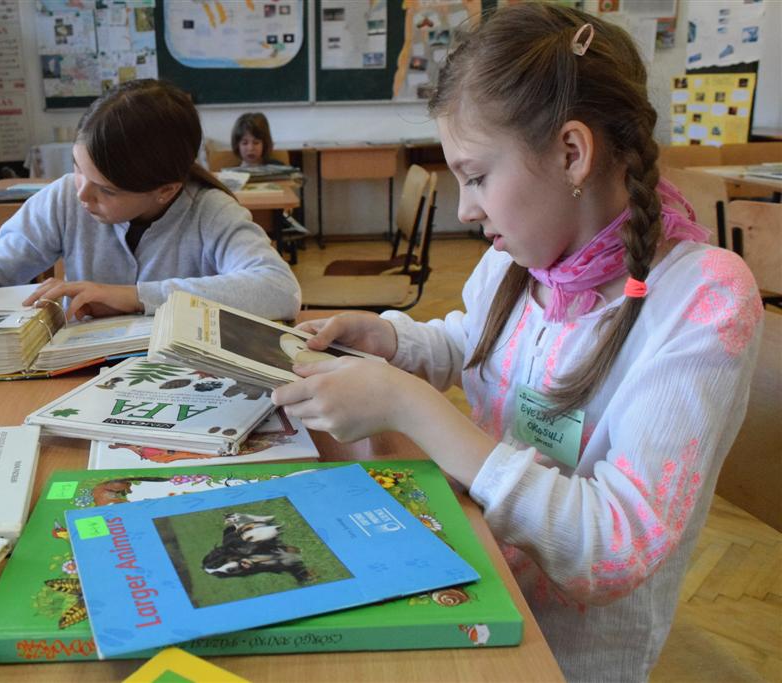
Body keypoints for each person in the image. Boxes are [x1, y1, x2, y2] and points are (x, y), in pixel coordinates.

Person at [271, 5, 762, 681]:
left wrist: (414, 407)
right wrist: (390, 337)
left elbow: (615, 546)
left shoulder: (704, 298)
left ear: (571, 154)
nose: (465, 208)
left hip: (557, 655)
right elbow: (468, 341)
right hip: (467, 572)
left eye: (476, 176)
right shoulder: (519, 260)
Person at [0, 80, 301, 322]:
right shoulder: (65, 198)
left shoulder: (209, 212)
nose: (82, 193)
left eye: (107, 190)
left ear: (165, 190)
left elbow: (278, 290)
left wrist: (134, 296)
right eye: (77, 168)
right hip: (81, 374)